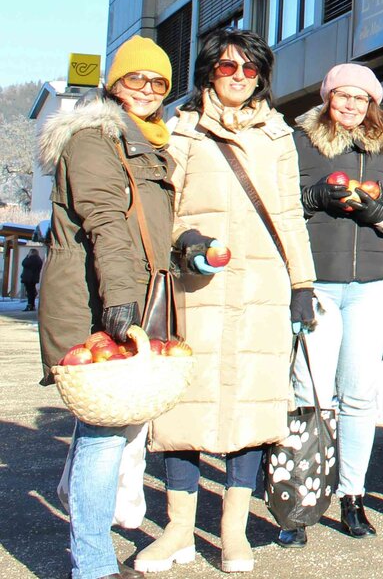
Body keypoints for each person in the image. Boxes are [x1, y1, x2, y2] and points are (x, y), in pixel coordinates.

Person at [139, 29, 317, 575]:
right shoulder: (181, 129)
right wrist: (187, 242)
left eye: (249, 68)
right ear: (208, 72)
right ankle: (177, 529)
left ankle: (233, 530)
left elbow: (289, 214)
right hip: (198, 289)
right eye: (226, 66)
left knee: (252, 406)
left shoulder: (278, 134)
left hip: (262, 288)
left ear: (261, 77)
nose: (238, 76)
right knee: (183, 407)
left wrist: (302, 285)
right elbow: (163, 208)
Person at [37, 36, 176, 579]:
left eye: (158, 81)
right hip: (96, 302)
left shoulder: (146, 143)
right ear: (114, 83)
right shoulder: (96, 139)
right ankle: (92, 566)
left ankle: (89, 535)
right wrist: (120, 301)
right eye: (135, 78)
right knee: (102, 434)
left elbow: (148, 230)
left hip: (126, 293)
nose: (146, 89)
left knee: (106, 433)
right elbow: (106, 224)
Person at [281, 63, 383, 546]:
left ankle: (352, 495)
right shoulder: (299, 143)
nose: (352, 105)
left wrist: (381, 214)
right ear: (328, 98)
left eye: (362, 98)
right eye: (344, 96)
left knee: (358, 395)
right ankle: (299, 499)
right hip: (316, 282)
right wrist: (315, 197)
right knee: (310, 393)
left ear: (372, 104)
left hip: (372, 286)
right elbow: (278, 207)